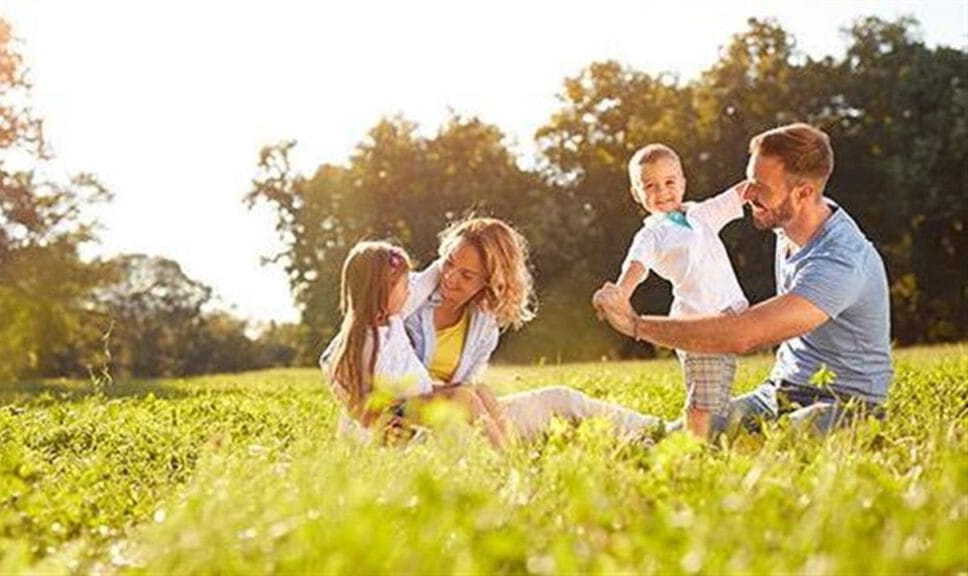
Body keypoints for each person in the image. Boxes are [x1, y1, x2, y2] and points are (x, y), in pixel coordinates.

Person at [594, 123, 893, 434]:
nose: (749, 196)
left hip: (844, 404)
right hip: (777, 394)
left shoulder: (841, 260)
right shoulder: (788, 222)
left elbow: (741, 335)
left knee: (776, 442)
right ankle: (572, 409)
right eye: (750, 183)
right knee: (685, 436)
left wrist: (636, 325)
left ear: (803, 193)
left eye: (760, 189)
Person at [406, 217, 659, 442]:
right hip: (407, 419)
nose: (450, 277)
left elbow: (468, 389)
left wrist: (491, 422)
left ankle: (657, 431)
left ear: (490, 282)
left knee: (560, 399)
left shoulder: (484, 323)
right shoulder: (407, 297)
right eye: (449, 263)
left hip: (457, 414)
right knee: (461, 423)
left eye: (467, 275)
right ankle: (506, 459)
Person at [596, 143, 748, 439]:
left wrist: (772, 178)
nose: (662, 192)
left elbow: (739, 194)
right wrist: (621, 294)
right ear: (637, 194)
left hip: (729, 316)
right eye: (650, 186)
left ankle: (699, 440)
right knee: (703, 400)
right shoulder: (651, 234)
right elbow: (636, 267)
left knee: (717, 390)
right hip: (696, 321)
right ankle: (693, 448)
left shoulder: (701, 213)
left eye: (669, 182)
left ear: (683, 182)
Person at [320, 240, 510, 447]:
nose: (410, 291)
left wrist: (460, 249)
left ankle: (511, 447)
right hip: (396, 411)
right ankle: (501, 454)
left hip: (416, 397)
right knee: (465, 398)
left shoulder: (393, 319)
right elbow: (375, 396)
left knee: (480, 391)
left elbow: (426, 281)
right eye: (405, 286)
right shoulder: (367, 341)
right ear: (383, 291)